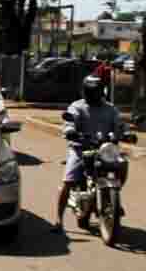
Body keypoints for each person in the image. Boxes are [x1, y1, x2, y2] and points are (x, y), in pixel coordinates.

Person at [52, 75, 125, 233]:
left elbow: (119, 124)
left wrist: (125, 133)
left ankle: (113, 198)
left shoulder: (110, 108)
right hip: (81, 149)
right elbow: (70, 121)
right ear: (85, 92)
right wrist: (70, 131)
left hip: (104, 149)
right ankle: (58, 220)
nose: (96, 94)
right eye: (92, 91)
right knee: (68, 180)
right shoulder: (77, 106)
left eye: (98, 91)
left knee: (122, 163)